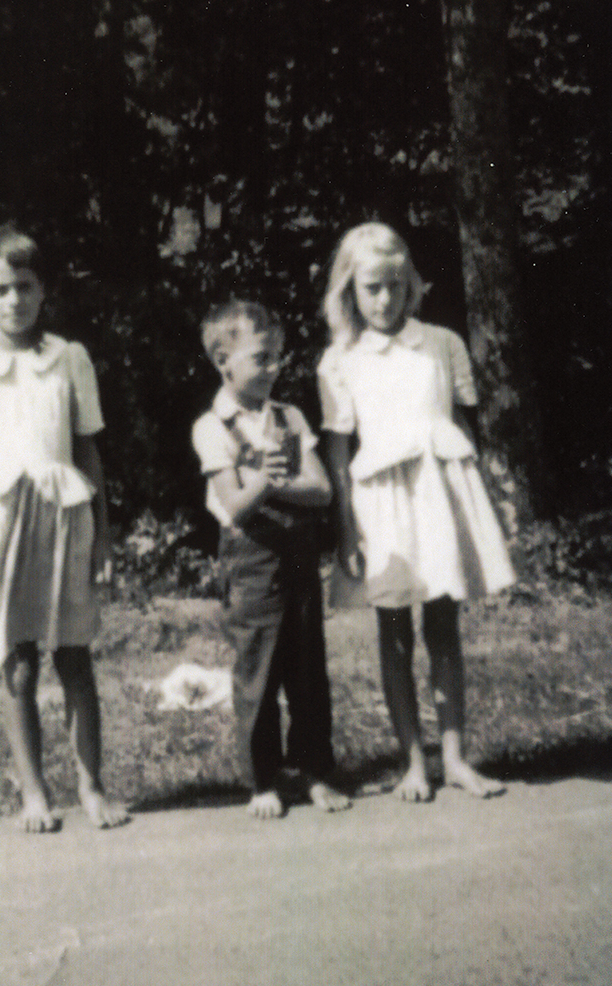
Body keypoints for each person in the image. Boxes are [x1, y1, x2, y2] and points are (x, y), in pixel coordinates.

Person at [0, 223, 128, 832]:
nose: (13, 300)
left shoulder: (67, 359)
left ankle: (92, 787)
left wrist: (102, 536)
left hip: (63, 516)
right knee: (17, 663)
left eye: (24, 286)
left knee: (75, 656)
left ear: (44, 291)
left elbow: (89, 453)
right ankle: (34, 794)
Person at [318, 222, 515, 802]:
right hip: (381, 504)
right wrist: (346, 528)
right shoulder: (340, 361)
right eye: (372, 288)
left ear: (412, 287)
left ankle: (454, 756)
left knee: (444, 625)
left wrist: (486, 504)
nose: (385, 300)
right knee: (394, 629)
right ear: (350, 290)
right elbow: (337, 453)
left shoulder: (441, 344)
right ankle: (413, 762)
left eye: (396, 287)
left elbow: (466, 424)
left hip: (439, 494)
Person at [192, 300, 351, 819]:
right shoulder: (212, 426)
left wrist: (263, 478)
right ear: (224, 360)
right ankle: (264, 780)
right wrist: (274, 478)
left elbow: (322, 489)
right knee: (258, 669)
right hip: (251, 558)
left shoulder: (290, 416)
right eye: (262, 357)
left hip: (300, 555)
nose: (275, 367)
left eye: (279, 356)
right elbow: (236, 505)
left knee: (308, 671)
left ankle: (312, 770)